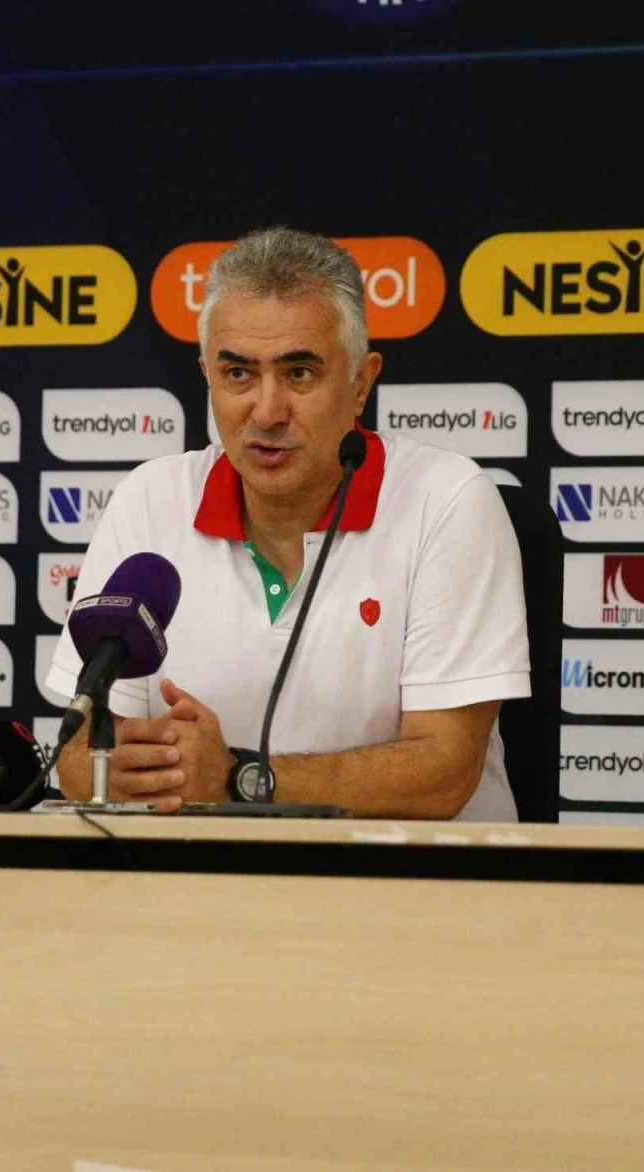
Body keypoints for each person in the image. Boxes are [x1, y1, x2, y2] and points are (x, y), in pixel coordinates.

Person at [48, 227, 529, 820]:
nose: (267, 411)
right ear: (207, 376)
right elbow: (77, 756)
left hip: (408, 874)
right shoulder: (147, 501)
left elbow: (444, 772)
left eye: (299, 373)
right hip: (201, 874)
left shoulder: (447, 499)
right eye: (238, 374)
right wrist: (123, 771)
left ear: (361, 382)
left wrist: (238, 778)